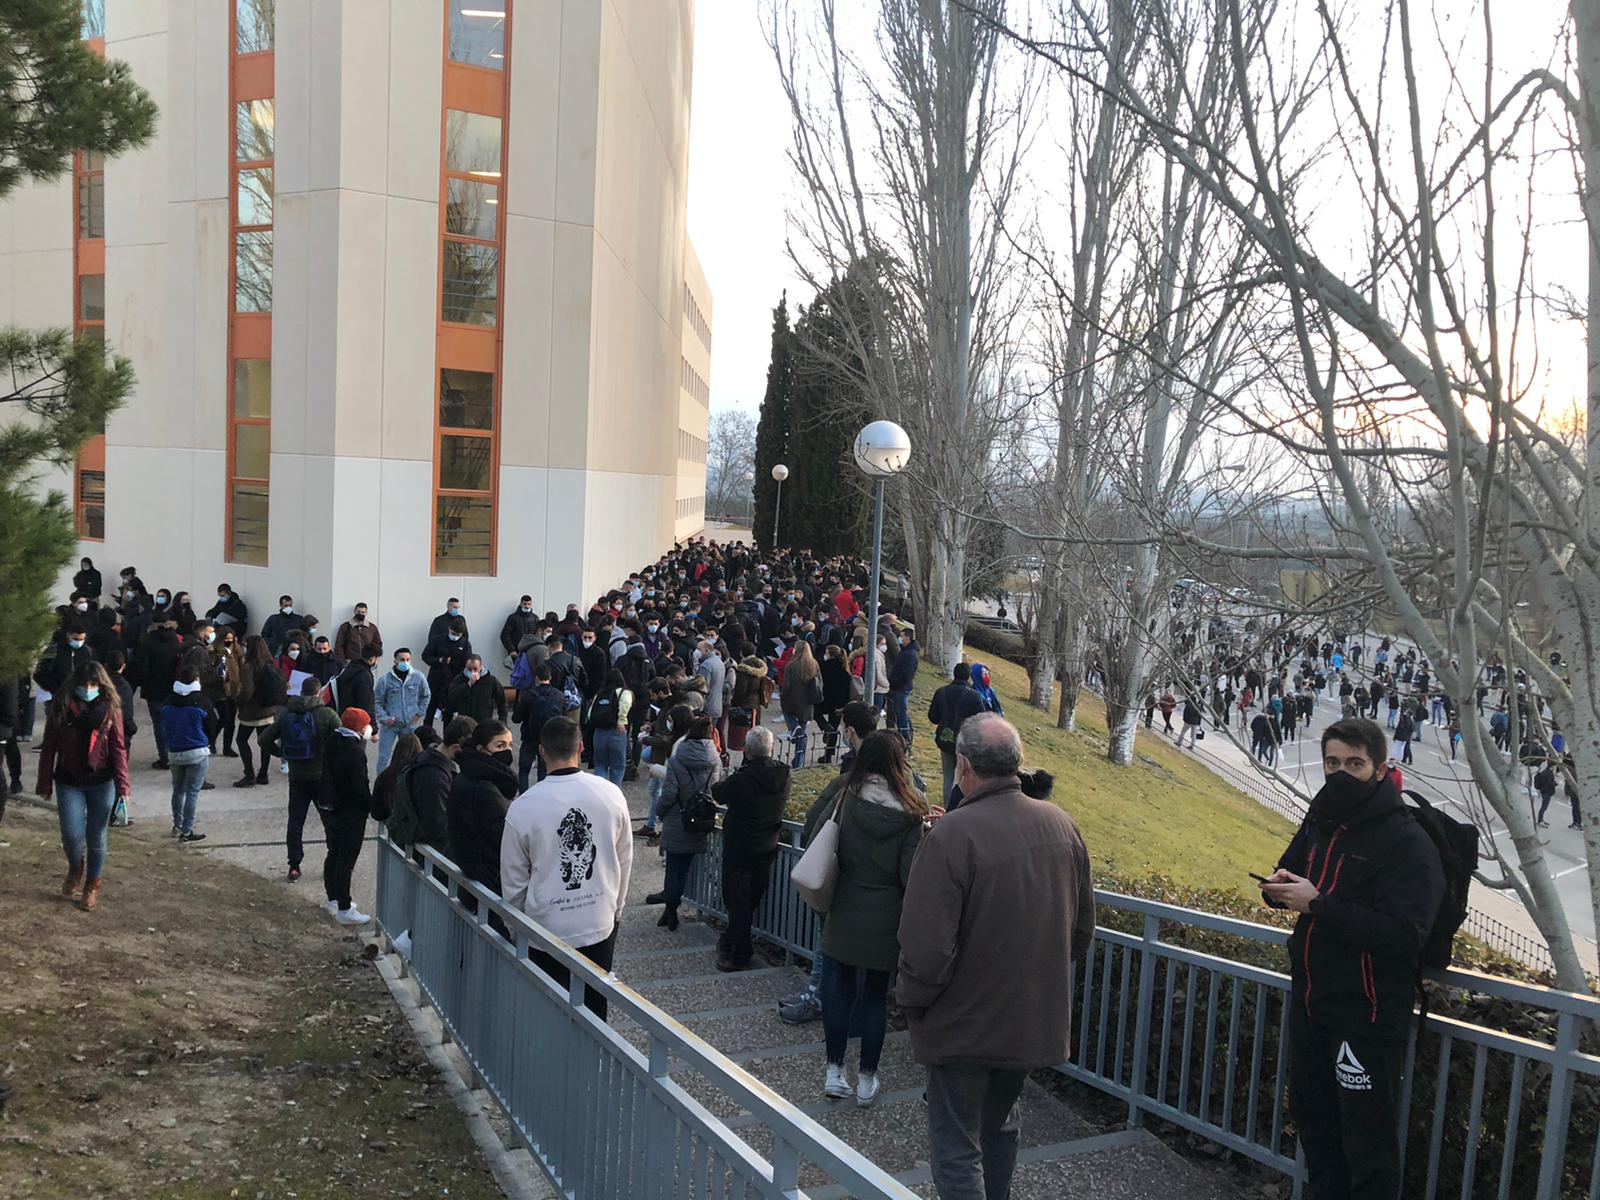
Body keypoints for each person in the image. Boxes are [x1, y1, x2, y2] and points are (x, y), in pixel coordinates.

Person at [898, 713, 1095, 1200]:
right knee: (1001, 1128)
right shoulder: (1062, 826)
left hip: (961, 1026)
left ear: (963, 765)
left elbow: (925, 949)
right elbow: (1081, 931)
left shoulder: (952, 835)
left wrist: (913, 1004)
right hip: (1030, 1021)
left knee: (957, 1148)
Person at [1260, 717, 1444, 1200]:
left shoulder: (1407, 842)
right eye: (1333, 763)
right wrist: (1279, 889)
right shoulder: (1321, 820)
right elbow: (1292, 877)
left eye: (1355, 764)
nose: (1341, 773)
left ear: (1381, 770)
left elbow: (1405, 936)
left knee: (1368, 1150)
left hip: (1366, 1017)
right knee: (1317, 1134)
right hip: (1311, 1005)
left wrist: (1318, 904)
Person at [501, 715, 634, 1019]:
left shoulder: (523, 807)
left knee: (545, 1011)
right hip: (599, 920)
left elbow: (513, 881)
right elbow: (624, 859)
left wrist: (517, 927)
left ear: (542, 753)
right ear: (581, 747)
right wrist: (616, 910)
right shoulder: (611, 794)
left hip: (544, 930)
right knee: (595, 1010)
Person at [819, 730, 926, 1105]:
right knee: (875, 998)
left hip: (845, 902)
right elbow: (909, 875)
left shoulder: (847, 799)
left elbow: (820, 834)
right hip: (885, 916)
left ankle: (834, 1071)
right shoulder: (912, 814)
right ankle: (867, 1078)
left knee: (839, 990)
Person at [36, 662, 131, 911]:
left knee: (97, 835)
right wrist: (44, 782)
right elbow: (49, 747)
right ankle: (76, 866)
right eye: (83, 685)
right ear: (74, 684)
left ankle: (92, 883)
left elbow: (119, 748)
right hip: (69, 780)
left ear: (101, 685)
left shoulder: (110, 709)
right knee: (71, 834)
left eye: (93, 685)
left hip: (101, 780)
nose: (88, 689)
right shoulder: (62, 708)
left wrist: (124, 788)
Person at [712, 725, 789, 971]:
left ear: (747, 751)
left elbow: (719, 793)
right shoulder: (783, 775)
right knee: (751, 898)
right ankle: (731, 942)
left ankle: (738, 952)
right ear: (772, 749)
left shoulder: (743, 779)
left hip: (739, 847)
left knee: (737, 901)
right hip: (767, 844)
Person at [260, 677, 341, 882]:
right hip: (322, 776)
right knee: (329, 821)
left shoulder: (287, 714)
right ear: (318, 693)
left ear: (300, 691)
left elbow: (263, 739)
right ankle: (333, 862)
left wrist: (281, 753)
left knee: (296, 822)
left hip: (297, 776)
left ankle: (294, 865)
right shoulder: (327, 714)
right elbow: (342, 741)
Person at [651, 713, 721, 930]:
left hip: (676, 817)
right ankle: (672, 908)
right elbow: (714, 790)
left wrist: (660, 812)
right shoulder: (714, 759)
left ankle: (670, 910)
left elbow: (670, 793)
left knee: (673, 867)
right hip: (699, 819)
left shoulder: (677, 758)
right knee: (685, 867)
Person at [445, 719, 519, 897]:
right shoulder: (485, 787)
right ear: (480, 749)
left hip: (474, 873)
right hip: (488, 879)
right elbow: (501, 837)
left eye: (510, 745)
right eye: (499, 745)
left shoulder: (469, 776)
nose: (506, 751)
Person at [319, 707, 375, 924]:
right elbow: (359, 787)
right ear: (361, 728)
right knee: (346, 859)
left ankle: (333, 898)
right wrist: (371, 807)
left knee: (333, 852)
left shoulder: (333, 741)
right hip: (350, 811)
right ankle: (344, 907)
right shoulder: (354, 752)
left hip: (331, 806)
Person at [388, 715, 476, 852]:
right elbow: (438, 826)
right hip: (432, 856)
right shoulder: (434, 777)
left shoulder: (427, 759)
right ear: (457, 749)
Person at [159, 663, 212, 840]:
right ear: (197, 679)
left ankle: (177, 825)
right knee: (192, 792)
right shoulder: (202, 701)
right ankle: (187, 830)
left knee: (178, 790)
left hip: (174, 751)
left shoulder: (168, 702)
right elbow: (212, 724)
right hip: (197, 751)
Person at [927, 663, 986, 805]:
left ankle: (948, 807)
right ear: (968, 676)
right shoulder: (974, 696)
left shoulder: (941, 692)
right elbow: (982, 720)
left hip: (945, 740)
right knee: (965, 776)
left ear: (954, 674)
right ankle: (963, 805)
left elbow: (933, 717)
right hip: (965, 743)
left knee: (948, 775)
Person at [232, 635, 286, 787]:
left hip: (252, 710)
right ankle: (263, 774)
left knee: (241, 740)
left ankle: (249, 774)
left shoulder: (248, 667)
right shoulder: (270, 664)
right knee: (265, 741)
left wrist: (239, 701)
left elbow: (247, 691)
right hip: (268, 710)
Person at [511, 663, 568, 790]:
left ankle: (524, 797)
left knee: (524, 772)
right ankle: (542, 797)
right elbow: (563, 718)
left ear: (536, 678)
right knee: (544, 773)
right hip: (549, 739)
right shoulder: (559, 696)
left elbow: (516, 719)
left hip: (529, 738)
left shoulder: (528, 695)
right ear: (550, 677)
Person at [374, 647, 431, 772]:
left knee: (410, 757)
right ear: (395, 661)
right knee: (384, 757)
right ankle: (381, 785)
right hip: (390, 725)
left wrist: (419, 713)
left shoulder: (418, 677)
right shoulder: (385, 680)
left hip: (409, 725)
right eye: (402, 659)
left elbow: (426, 696)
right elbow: (377, 701)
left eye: (407, 659)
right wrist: (384, 718)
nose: (405, 662)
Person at [423, 616, 472, 729]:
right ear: (449, 629)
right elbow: (425, 656)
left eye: (458, 635)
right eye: (454, 633)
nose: (455, 637)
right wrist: (439, 660)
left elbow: (467, 661)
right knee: (431, 708)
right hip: (436, 679)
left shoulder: (465, 643)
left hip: (453, 681)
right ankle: (426, 732)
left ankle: (448, 738)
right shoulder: (437, 640)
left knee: (449, 713)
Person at [588, 667, 632, 787]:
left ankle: (599, 791)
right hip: (617, 731)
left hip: (599, 732)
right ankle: (614, 792)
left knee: (600, 764)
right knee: (618, 766)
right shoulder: (624, 692)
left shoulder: (600, 694)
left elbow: (590, 713)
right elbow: (626, 704)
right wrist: (621, 721)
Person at [779, 640, 819, 768]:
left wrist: (782, 696)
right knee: (803, 731)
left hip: (792, 700)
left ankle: (794, 728)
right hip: (807, 703)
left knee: (788, 715)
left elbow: (786, 686)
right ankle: (799, 761)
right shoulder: (814, 664)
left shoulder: (791, 665)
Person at [447, 654, 508, 726]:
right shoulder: (459, 679)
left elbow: (502, 700)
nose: (473, 672)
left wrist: (502, 721)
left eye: (475, 669)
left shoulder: (491, 681)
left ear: (481, 667)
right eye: (469, 669)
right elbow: (451, 696)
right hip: (465, 723)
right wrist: (468, 685)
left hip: (484, 722)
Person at [886, 626, 920, 745]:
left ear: (908, 637)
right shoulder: (906, 651)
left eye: (902, 636)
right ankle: (905, 735)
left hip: (901, 687)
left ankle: (905, 737)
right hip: (900, 686)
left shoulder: (909, 654)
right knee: (901, 711)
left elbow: (906, 673)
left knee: (901, 712)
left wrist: (894, 683)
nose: (900, 638)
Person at [1534, 759, 1559, 827]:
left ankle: (1541, 819)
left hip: (1544, 791)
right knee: (1544, 807)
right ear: (1553, 766)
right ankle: (1540, 820)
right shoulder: (1548, 773)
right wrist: (1556, 783)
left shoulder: (1546, 771)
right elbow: (1550, 783)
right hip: (1547, 791)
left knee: (1544, 806)